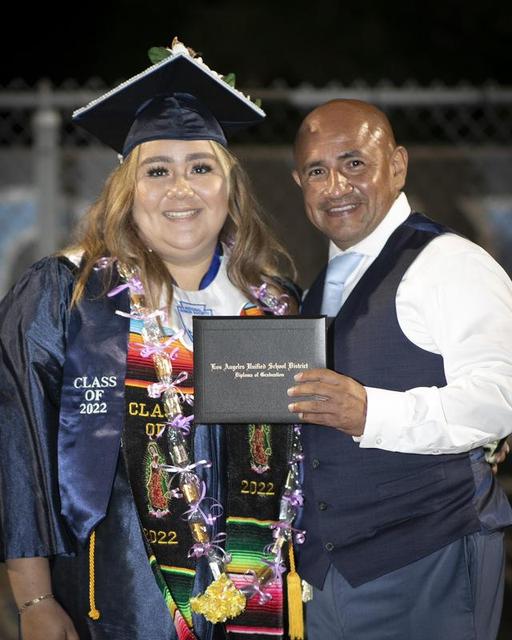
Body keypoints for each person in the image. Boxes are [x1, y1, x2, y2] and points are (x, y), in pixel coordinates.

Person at [0, 39, 301, 640]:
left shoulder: (271, 304)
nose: (180, 189)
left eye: (201, 168)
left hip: (255, 588)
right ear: (126, 189)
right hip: (119, 595)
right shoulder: (69, 296)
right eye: (157, 170)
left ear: (230, 187)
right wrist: (34, 600)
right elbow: (18, 446)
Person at [287, 99, 512, 640]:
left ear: (397, 166)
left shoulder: (449, 263)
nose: (336, 185)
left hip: (425, 556)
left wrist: (372, 412)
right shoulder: (318, 288)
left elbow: (501, 397)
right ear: (299, 184)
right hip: (327, 571)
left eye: (354, 163)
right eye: (317, 171)